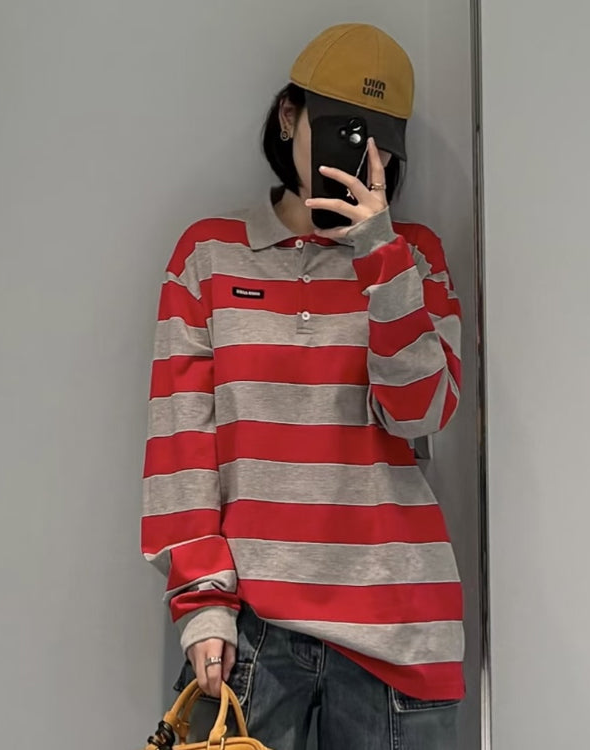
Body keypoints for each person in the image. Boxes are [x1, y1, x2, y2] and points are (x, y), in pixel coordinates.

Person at [141, 23, 464, 750]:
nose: (362, 157)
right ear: (289, 116)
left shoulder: (416, 258)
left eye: (379, 141)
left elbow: (419, 412)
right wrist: (202, 602)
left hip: (399, 629)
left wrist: (380, 254)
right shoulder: (207, 256)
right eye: (344, 132)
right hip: (253, 632)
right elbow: (181, 445)